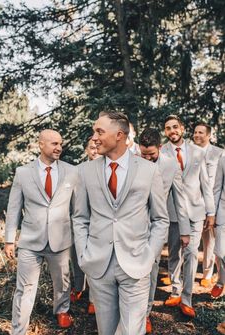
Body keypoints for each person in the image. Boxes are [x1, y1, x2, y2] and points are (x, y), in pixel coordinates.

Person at [73, 111, 169, 335]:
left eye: (99, 131)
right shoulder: (85, 172)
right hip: (97, 264)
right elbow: (80, 217)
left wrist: (150, 255)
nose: (94, 137)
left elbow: (160, 218)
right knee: (105, 330)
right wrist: (83, 255)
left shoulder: (149, 170)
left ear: (119, 135)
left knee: (131, 331)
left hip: (137, 263)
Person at [4, 129, 78, 335]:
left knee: (62, 280)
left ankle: (62, 310)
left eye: (60, 143)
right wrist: (9, 240)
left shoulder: (72, 172)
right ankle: (18, 329)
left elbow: (78, 209)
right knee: (25, 288)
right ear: (41, 144)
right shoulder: (23, 172)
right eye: (54, 143)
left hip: (61, 239)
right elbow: (13, 208)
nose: (59, 148)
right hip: (30, 240)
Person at [161, 115, 215, 317]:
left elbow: (205, 184)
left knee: (192, 253)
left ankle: (187, 297)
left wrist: (210, 211)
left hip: (196, 211)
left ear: (182, 129)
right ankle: (175, 289)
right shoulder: (162, 152)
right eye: (168, 128)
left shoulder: (197, 152)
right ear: (165, 132)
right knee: (175, 253)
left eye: (175, 127)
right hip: (173, 212)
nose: (172, 130)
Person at [139, 128, 190, 333]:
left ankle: (145, 313)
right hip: (133, 224)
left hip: (157, 225)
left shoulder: (171, 164)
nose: (147, 158)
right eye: (144, 154)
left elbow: (179, 197)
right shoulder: (133, 160)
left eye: (151, 154)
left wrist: (184, 230)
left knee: (152, 269)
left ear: (160, 147)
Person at [71, 136, 100, 314]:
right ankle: (79, 287)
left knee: (96, 259)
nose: (95, 150)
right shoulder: (77, 170)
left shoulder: (106, 167)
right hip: (79, 218)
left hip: (98, 221)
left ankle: (94, 299)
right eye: (91, 147)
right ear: (86, 150)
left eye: (97, 147)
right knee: (77, 256)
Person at [193, 122, 224, 287]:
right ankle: (178, 274)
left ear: (209, 135)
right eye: (195, 132)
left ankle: (208, 274)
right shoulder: (189, 151)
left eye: (201, 132)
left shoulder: (219, 154)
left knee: (211, 241)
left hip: (212, 204)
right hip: (193, 203)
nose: (197, 135)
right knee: (189, 241)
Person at [211, 155, 225, 298]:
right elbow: (217, 187)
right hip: (223, 212)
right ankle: (221, 280)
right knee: (220, 252)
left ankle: (221, 283)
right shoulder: (223, 159)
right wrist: (213, 213)